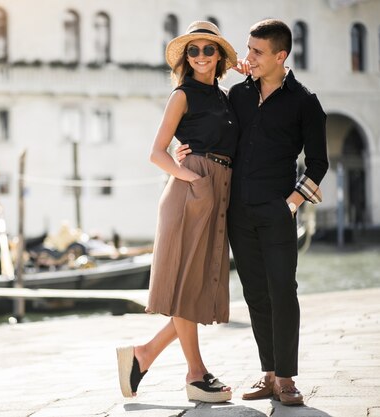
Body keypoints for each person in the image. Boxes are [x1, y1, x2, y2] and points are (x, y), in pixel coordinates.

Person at [176, 19, 329, 406]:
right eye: (248, 50)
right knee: (256, 295)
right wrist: (187, 150)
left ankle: (288, 379)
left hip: (277, 212)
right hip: (237, 213)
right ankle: (269, 374)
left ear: (281, 56)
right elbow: (210, 127)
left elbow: (318, 164)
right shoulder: (237, 96)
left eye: (257, 52)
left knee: (283, 292)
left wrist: (292, 204)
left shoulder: (305, 101)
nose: (248, 58)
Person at [116, 21, 238, 403]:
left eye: (209, 49)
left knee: (198, 288)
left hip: (217, 188)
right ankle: (196, 374)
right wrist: (191, 177)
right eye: (194, 50)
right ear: (186, 57)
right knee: (188, 286)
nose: (201, 55)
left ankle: (144, 354)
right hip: (192, 189)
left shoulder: (225, 97)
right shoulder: (181, 95)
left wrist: (243, 70)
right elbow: (156, 152)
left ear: (219, 56)